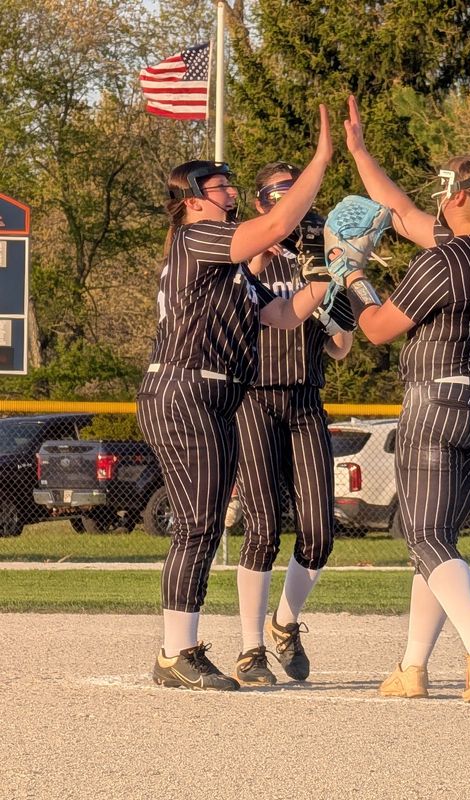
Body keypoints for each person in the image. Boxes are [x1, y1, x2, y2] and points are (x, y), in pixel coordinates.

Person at [136, 106, 333, 691]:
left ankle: (179, 651)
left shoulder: (229, 269)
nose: (231, 193)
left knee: (201, 524)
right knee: (198, 523)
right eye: (222, 186)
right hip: (186, 385)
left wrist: (324, 262)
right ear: (194, 197)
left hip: (213, 392)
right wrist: (319, 163)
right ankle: (178, 651)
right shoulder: (195, 235)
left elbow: (282, 313)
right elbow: (271, 229)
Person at [336, 95, 470, 702]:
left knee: (421, 535)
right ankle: (412, 669)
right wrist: (360, 152)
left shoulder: (445, 261)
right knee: (437, 541)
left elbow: (379, 328)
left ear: (461, 197)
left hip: (440, 405)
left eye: (448, 189)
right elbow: (401, 210)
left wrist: (351, 278)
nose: (439, 195)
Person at [233, 162, 355, 686]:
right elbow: (238, 300)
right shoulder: (246, 258)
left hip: (304, 400)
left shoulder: (318, 265)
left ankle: (284, 623)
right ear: (263, 204)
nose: (289, 203)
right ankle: (250, 649)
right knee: (262, 528)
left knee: (320, 531)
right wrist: (264, 249)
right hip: (255, 400)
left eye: (295, 195)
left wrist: (341, 281)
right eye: (277, 195)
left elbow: (342, 348)